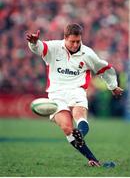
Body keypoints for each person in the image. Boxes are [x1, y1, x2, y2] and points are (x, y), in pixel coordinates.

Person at [26, 23, 123, 167]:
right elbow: (40, 47)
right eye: (72, 41)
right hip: (56, 94)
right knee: (67, 128)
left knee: (80, 115)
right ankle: (93, 159)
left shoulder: (87, 53)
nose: (75, 44)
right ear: (65, 38)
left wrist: (113, 86)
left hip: (77, 90)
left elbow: (104, 68)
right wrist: (33, 43)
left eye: (78, 41)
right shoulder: (54, 47)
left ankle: (80, 135)